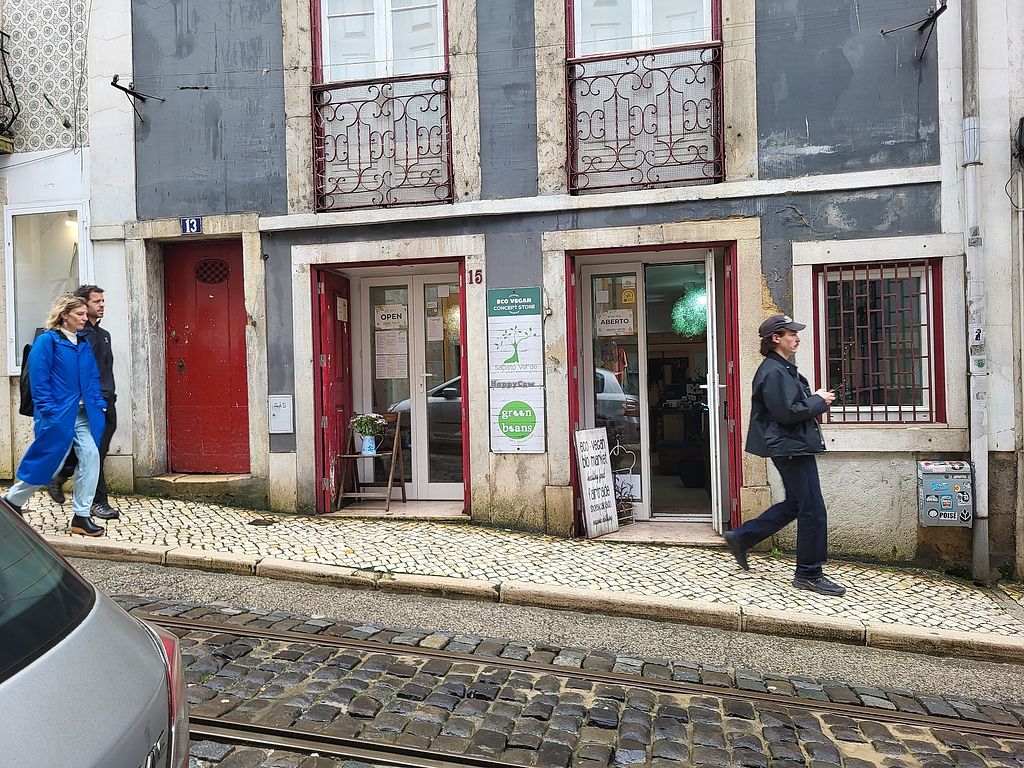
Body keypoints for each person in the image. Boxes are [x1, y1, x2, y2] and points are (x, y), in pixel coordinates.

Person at [723, 314, 845, 597]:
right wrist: (818, 401)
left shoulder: (781, 368)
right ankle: (808, 573)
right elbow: (787, 413)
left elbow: (790, 405)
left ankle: (742, 537)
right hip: (790, 447)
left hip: (792, 445)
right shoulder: (774, 371)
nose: (797, 338)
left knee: (795, 504)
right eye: (791, 333)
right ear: (776, 338)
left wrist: (814, 398)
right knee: (813, 509)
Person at [4, 295, 107, 536]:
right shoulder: (47, 341)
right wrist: (48, 409)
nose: (85, 318)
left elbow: (92, 377)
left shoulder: (82, 343)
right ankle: (11, 501)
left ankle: (81, 517)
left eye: (85, 314)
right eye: (79, 314)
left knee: (91, 457)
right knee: (50, 463)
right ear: (64, 315)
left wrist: (99, 402)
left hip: (84, 414)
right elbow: (39, 379)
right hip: (58, 414)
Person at [47, 284, 119, 519]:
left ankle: (60, 476)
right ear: (83, 305)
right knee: (94, 453)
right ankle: (98, 502)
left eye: (102, 301)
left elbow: (106, 369)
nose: (102, 305)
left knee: (96, 450)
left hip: (107, 399)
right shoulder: (79, 337)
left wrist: (110, 396)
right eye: (97, 301)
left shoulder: (104, 335)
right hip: (89, 404)